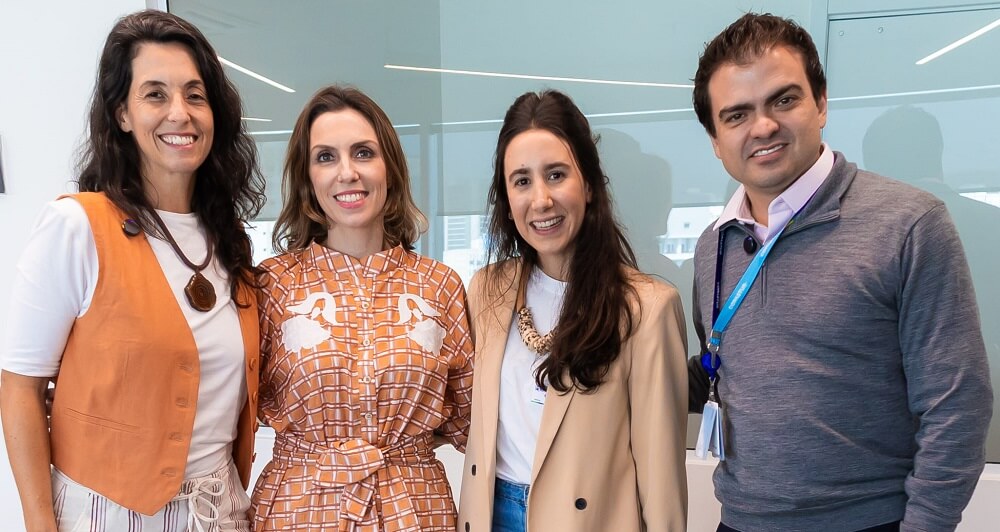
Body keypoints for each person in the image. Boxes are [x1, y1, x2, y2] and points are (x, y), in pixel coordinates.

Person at [687, 13, 993, 532]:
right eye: (736, 115)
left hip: (871, 522)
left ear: (821, 103)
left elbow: (957, 406)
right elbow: (726, 371)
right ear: (716, 140)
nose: (762, 127)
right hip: (739, 521)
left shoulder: (909, 224)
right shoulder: (713, 246)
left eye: (783, 100)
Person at [1, 9, 265, 532]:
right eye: (155, 94)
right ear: (121, 114)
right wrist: (39, 524)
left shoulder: (229, 243)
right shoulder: (77, 226)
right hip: (104, 514)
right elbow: (19, 388)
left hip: (223, 512)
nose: (179, 113)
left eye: (195, 94)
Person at [458, 90, 688, 532]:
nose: (540, 199)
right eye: (521, 181)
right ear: (506, 199)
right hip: (492, 513)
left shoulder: (646, 308)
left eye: (556, 174)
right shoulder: (485, 290)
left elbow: (661, 483)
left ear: (588, 184)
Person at [250, 85, 474, 531]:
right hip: (300, 508)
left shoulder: (438, 285)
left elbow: (474, 419)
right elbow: (228, 406)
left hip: (414, 507)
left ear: (389, 167)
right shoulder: (272, 284)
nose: (347, 172)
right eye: (326, 157)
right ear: (307, 178)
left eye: (363, 153)